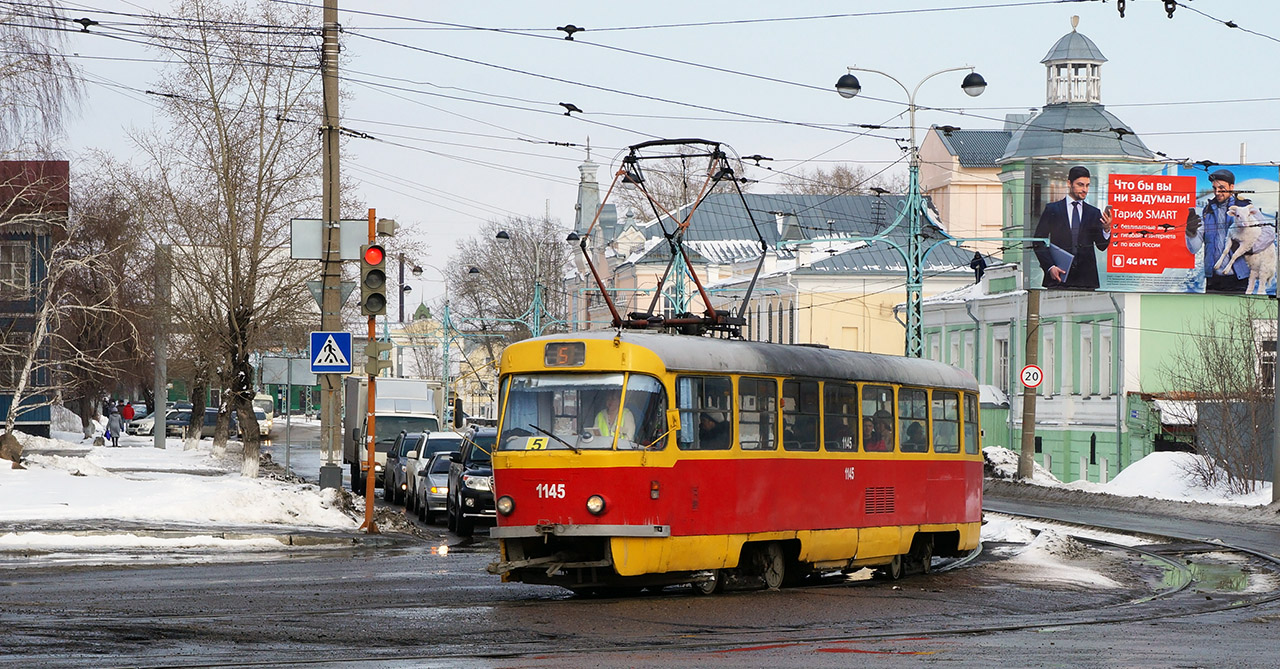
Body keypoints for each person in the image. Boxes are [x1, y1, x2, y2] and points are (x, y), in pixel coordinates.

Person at [1185, 169, 1271, 293]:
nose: (1217, 192)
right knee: (1210, 312)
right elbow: (1194, 248)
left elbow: (1268, 232)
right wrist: (1190, 232)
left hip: (1238, 277)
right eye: (1214, 188)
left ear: (1232, 187)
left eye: (1221, 188)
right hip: (1213, 279)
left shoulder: (1244, 208)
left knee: (1238, 312)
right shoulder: (1207, 211)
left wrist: (1250, 249)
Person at [1032, 165, 1113, 290]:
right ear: (1069, 183)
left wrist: (1106, 229)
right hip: (1058, 278)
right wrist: (1050, 267)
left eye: (1087, 185)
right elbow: (1038, 242)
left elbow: (1101, 246)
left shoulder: (1093, 213)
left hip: (1086, 281)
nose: (1085, 189)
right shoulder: (1052, 210)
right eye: (1080, 185)